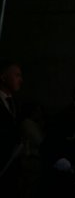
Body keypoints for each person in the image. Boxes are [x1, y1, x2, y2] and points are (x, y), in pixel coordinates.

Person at [0, 59, 24, 198]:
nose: (21, 80)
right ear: (3, 77)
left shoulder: (15, 102)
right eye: (17, 75)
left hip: (13, 167)